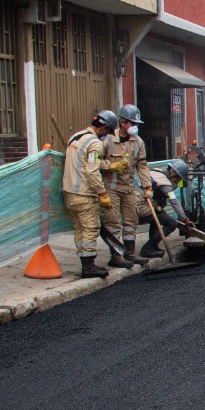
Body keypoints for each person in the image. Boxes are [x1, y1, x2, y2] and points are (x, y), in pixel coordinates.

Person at [62, 110, 121, 279]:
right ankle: (88, 266)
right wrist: (102, 192)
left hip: (69, 192)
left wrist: (110, 165)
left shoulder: (76, 138)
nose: (106, 136)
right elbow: (92, 171)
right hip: (84, 194)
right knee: (90, 228)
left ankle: (84, 261)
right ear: (103, 127)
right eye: (107, 132)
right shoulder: (95, 144)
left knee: (79, 229)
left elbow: (84, 162)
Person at [100, 104, 152, 268]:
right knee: (113, 223)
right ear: (122, 123)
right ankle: (116, 256)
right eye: (132, 123)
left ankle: (130, 253)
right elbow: (95, 162)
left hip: (129, 188)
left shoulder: (138, 142)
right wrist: (111, 166)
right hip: (111, 189)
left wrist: (147, 187)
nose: (135, 127)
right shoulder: (107, 140)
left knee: (131, 221)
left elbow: (142, 165)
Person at [138, 164, 192, 259]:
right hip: (141, 207)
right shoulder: (165, 184)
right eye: (178, 179)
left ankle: (153, 246)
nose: (178, 181)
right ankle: (148, 248)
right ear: (173, 174)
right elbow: (174, 201)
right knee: (171, 223)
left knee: (158, 217)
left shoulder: (155, 172)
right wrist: (185, 219)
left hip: (136, 204)